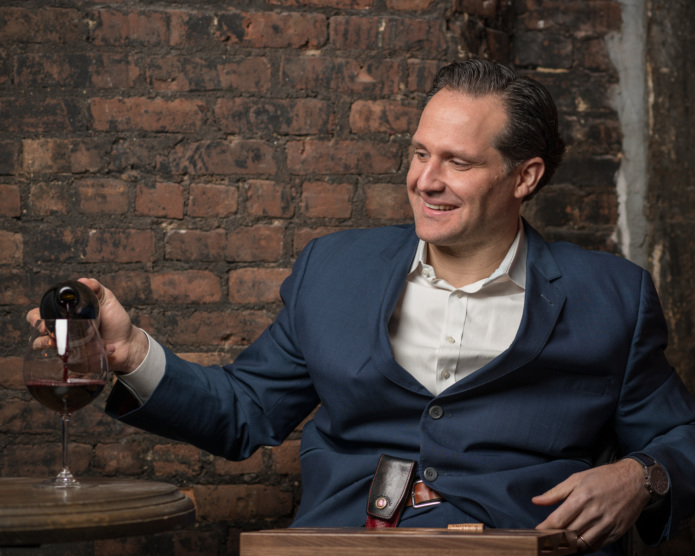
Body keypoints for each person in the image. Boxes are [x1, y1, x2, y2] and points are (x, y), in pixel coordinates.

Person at [28, 60, 695, 554]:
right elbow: (245, 411)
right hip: (346, 544)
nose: (425, 180)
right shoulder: (334, 270)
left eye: (457, 162)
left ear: (524, 176)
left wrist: (643, 476)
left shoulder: (612, 295)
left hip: (523, 546)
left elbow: (681, 438)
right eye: (419, 153)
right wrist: (130, 352)